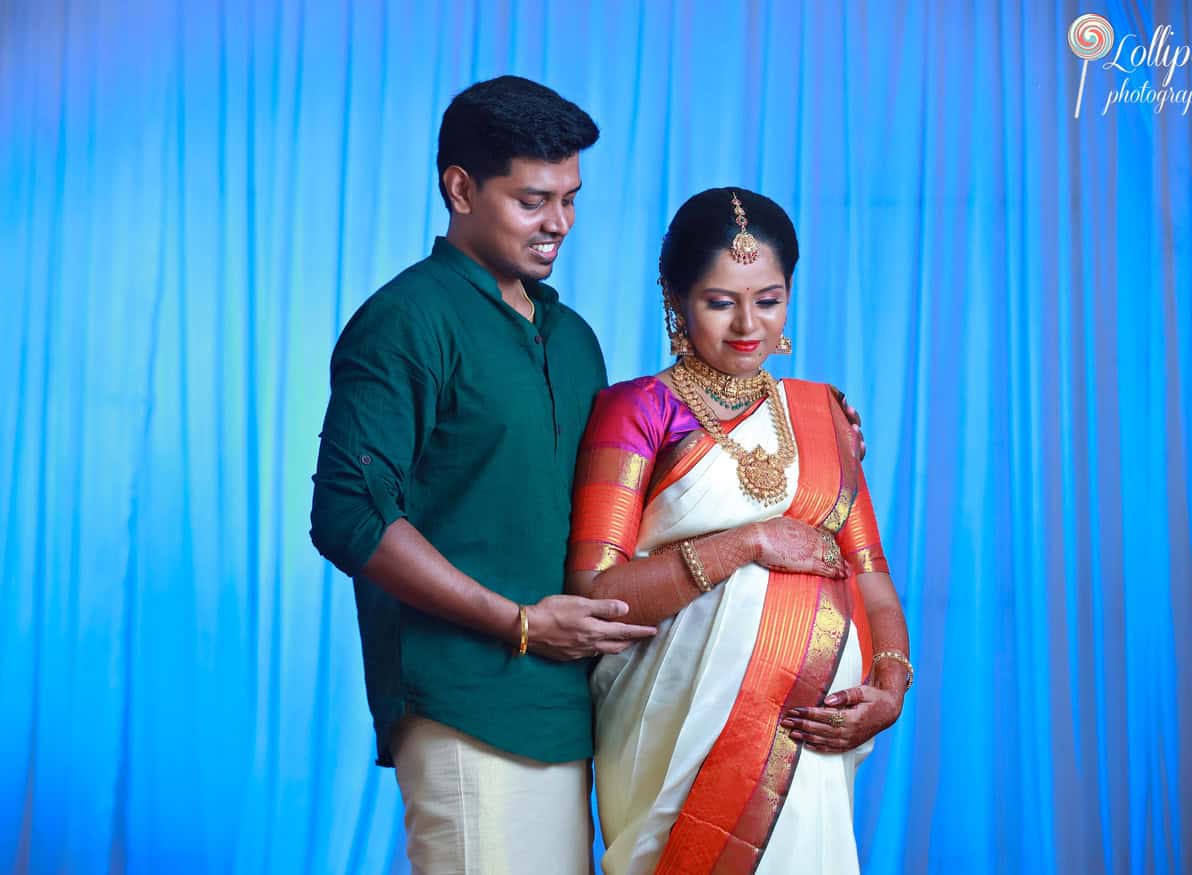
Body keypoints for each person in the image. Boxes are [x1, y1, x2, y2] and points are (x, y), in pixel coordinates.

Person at [308, 76, 659, 874]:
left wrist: (804, 430)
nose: (560, 223)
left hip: (569, 708)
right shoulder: (407, 320)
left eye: (571, 198)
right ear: (459, 188)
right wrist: (520, 622)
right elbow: (349, 513)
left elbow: (628, 491)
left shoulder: (573, 338)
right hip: (466, 702)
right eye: (534, 200)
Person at [566, 187, 913, 874]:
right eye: (720, 301)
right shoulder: (636, 411)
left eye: (769, 298)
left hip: (808, 744)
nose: (748, 324)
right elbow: (596, 593)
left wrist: (890, 686)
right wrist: (746, 543)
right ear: (675, 297)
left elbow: (869, 575)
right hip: (672, 738)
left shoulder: (822, 415)